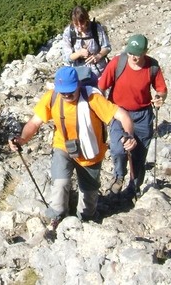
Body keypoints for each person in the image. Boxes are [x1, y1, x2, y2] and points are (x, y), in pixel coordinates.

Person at [9, 67, 137, 223]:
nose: (67, 95)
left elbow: (122, 115)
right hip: (63, 146)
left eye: (70, 91)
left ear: (78, 85)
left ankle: (86, 220)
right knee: (60, 182)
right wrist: (22, 139)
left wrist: (129, 135)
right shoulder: (52, 97)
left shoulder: (92, 98)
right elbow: (35, 122)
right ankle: (57, 217)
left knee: (89, 193)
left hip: (91, 151)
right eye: (63, 92)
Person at [97, 34, 167, 198]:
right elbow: (101, 87)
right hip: (119, 113)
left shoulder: (152, 66)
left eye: (137, 54)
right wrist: (103, 110)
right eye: (130, 53)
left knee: (139, 154)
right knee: (117, 149)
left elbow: (162, 90)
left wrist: (160, 98)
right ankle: (119, 176)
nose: (133, 57)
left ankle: (133, 188)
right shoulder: (117, 63)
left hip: (143, 115)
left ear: (145, 52)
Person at [61, 5, 111, 79]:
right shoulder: (69, 32)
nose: (80, 27)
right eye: (76, 24)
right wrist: (79, 53)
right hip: (79, 74)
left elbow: (107, 47)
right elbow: (67, 58)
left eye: (82, 23)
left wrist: (98, 56)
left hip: (99, 72)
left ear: (86, 19)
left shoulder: (96, 28)